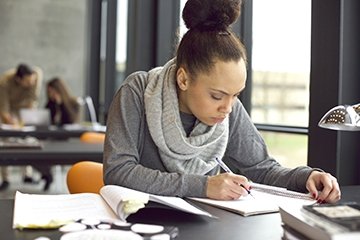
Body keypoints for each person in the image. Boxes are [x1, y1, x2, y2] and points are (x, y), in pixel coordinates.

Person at [103, 0, 341, 203]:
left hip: (207, 225)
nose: (227, 108)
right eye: (216, 96)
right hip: (143, 223)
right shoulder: (137, 92)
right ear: (183, 79)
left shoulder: (229, 110)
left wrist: (306, 177)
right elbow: (118, 171)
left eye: (235, 95)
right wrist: (204, 186)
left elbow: (262, 169)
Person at [0, 63, 42, 190]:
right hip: (10, 109)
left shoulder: (36, 75)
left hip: (25, 108)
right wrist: (12, 123)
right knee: (6, 141)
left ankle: (27, 175)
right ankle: (6, 178)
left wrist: (26, 120)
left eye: (32, 81)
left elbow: (32, 99)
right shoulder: (4, 82)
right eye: (27, 82)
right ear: (18, 79)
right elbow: (4, 109)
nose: (30, 84)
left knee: (27, 139)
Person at [38, 77, 80, 191]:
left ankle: (47, 176)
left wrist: (61, 104)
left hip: (67, 140)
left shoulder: (73, 103)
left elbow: (71, 120)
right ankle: (47, 175)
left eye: (53, 91)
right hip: (52, 138)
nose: (51, 94)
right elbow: (46, 121)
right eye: (49, 92)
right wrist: (55, 106)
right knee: (36, 154)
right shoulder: (50, 104)